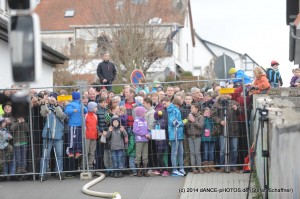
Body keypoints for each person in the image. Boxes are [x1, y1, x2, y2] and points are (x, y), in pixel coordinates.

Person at [211, 95, 241, 173]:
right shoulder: (216, 104)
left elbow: (240, 112)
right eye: (222, 93)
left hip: (234, 129)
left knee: (234, 149)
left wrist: (236, 109)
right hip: (222, 130)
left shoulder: (234, 102)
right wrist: (220, 121)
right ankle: (222, 166)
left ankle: (233, 165)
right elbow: (213, 115)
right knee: (223, 149)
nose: (224, 95)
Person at [39, 95, 66, 181]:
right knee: (45, 156)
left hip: (58, 135)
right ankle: (42, 173)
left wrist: (56, 105)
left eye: (53, 98)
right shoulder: (47, 108)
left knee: (59, 155)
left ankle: (59, 172)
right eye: (50, 98)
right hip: (47, 135)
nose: (51, 99)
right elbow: (43, 113)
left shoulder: (60, 107)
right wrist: (43, 103)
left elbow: (61, 115)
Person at [162, 96, 187, 177]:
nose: (164, 105)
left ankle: (181, 168)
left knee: (181, 151)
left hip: (178, 134)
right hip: (175, 133)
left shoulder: (174, 109)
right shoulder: (173, 110)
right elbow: (174, 123)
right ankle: (175, 170)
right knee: (174, 152)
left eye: (165, 103)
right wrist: (184, 121)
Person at [64, 91, 88, 159]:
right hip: (73, 124)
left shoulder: (81, 104)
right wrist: (73, 110)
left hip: (80, 124)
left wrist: (83, 107)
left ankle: (78, 151)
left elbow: (86, 111)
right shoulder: (71, 104)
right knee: (72, 138)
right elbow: (66, 111)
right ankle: (70, 152)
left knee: (79, 139)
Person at [185, 103, 204, 174]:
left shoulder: (200, 116)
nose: (191, 109)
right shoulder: (189, 116)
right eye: (191, 108)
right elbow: (185, 125)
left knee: (197, 152)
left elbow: (201, 126)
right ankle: (194, 169)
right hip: (190, 136)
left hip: (197, 137)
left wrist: (194, 121)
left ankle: (200, 168)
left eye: (192, 108)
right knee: (192, 153)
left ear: (197, 109)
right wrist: (186, 121)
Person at [133, 106, 150, 177]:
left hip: (145, 140)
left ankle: (145, 170)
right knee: (138, 155)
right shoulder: (136, 121)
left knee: (145, 155)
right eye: (144, 112)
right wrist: (144, 134)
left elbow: (147, 129)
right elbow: (135, 131)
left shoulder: (145, 121)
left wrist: (149, 134)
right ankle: (138, 171)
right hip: (139, 140)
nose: (145, 113)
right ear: (140, 113)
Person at [201, 107, 218, 173]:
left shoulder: (212, 119)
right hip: (205, 137)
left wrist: (210, 118)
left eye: (208, 112)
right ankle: (205, 166)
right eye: (206, 112)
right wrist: (205, 117)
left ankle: (211, 166)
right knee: (206, 151)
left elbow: (214, 125)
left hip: (212, 137)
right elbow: (202, 126)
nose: (207, 113)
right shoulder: (203, 118)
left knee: (211, 152)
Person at [85, 102, 98, 170]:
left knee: (92, 152)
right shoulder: (86, 115)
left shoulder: (95, 116)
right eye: (95, 107)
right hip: (87, 136)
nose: (96, 108)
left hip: (94, 136)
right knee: (86, 151)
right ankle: (83, 165)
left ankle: (90, 165)